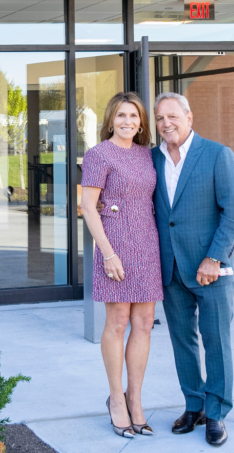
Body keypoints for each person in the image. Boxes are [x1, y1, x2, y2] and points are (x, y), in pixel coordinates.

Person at [151, 93, 234, 448]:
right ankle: (194, 405)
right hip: (171, 267)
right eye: (160, 118)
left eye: (172, 116)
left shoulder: (218, 154)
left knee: (216, 341)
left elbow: (233, 212)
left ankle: (217, 413)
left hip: (211, 268)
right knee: (182, 341)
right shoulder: (152, 158)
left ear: (189, 117)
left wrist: (214, 258)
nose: (166, 124)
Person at [80, 92, 163, 439]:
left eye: (134, 116)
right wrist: (108, 253)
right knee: (117, 322)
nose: (128, 122)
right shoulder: (99, 154)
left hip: (146, 241)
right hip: (115, 244)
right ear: (110, 120)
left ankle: (136, 400)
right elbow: (87, 205)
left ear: (142, 121)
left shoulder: (148, 154)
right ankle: (116, 400)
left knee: (144, 322)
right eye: (121, 116)